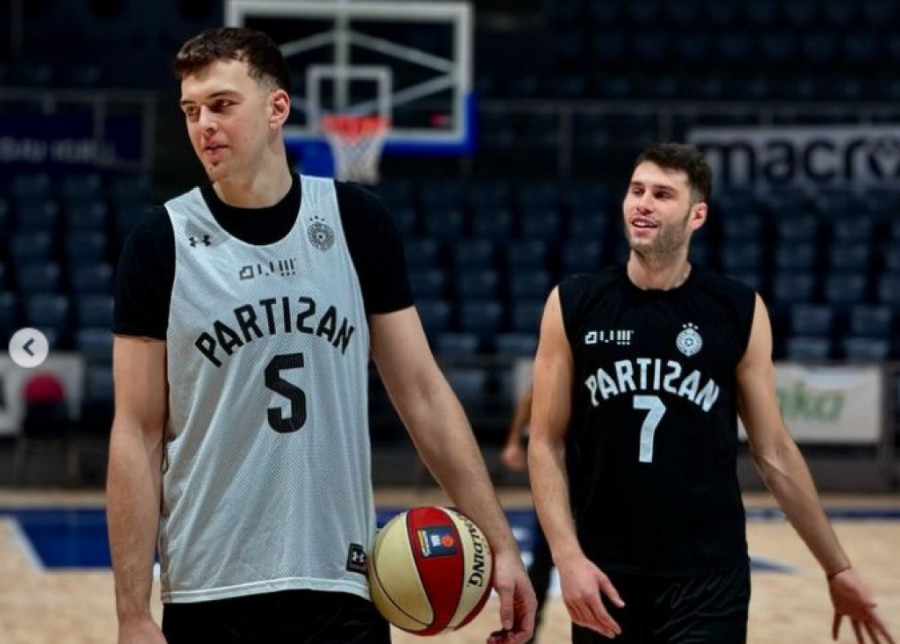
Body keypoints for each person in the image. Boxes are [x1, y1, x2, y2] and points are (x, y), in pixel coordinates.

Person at [106, 27, 535, 644]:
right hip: (210, 586)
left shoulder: (356, 222)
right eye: (191, 111)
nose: (204, 126)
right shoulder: (160, 241)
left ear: (277, 108)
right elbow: (137, 431)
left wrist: (502, 545)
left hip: (341, 583)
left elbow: (423, 394)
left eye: (222, 105)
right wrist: (131, 611)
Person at [527, 142, 895, 644]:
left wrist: (837, 567)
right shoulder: (573, 303)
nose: (643, 204)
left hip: (709, 578)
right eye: (636, 191)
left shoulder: (737, 309)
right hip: (606, 572)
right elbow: (545, 442)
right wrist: (567, 557)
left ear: (696, 215)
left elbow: (773, 450)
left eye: (662, 195)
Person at [501, 384, 554, 642]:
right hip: (558, 473)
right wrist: (514, 441)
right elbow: (531, 396)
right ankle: (525, 632)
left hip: (591, 473)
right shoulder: (563, 368)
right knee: (542, 559)